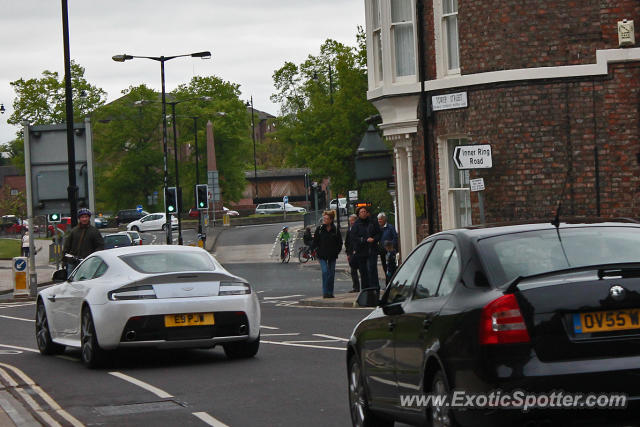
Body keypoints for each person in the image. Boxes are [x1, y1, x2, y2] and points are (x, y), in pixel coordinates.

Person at [62, 208, 104, 277]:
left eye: (86, 217)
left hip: (87, 262)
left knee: (86, 280)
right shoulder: (74, 231)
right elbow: (67, 246)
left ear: (89, 218)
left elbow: (100, 246)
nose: (84, 219)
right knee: (71, 281)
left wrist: (93, 257)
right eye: (82, 217)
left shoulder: (94, 231)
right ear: (79, 219)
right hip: (72, 262)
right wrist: (64, 260)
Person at [348, 206, 382, 292]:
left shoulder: (373, 222)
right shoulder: (356, 224)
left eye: (364, 211)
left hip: (372, 249)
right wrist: (363, 240)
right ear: (358, 214)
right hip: (361, 251)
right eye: (361, 212)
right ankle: (365, 290)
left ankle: (375, 288)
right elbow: (353, 237)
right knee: (363, 271)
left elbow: (379, 233)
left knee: (372, 269)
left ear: (367, 213)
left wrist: (374, 239)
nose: (363, 213)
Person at [312, 210, 343, 298]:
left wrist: (337, 251)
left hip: (332, 255)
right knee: (325, 272)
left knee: (331, 274)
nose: (324, 220)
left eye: (326, 219)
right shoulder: (320, 229)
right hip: (322, 255)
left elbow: (339, 243)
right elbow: (315, 242)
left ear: (331, 220)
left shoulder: (335, 230)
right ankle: (325, 293)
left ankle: (330, 292)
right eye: (324, 218)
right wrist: (315, 250)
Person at [377, 212, 398, 277]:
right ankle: (387, 282)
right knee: (385, 268)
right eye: (378, 219)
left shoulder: (390, 227)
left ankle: (390, 282)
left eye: (381, 219)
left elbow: (395, 238)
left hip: (390, 252)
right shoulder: (378, 228)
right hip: (382, 252)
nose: (379, 221)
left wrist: (390, 246)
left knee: (390, 268)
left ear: (385, 219)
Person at [344, 214, 361, 293]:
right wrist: (348, 254)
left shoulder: (359, 229)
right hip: (351, 254)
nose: (351, 222)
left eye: (352, 220)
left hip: (359, 252)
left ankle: (364, 287)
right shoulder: (349, 231)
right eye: (350, 221)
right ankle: (356, 288)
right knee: (353, 271)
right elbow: (347, 243)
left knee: (362, 270)